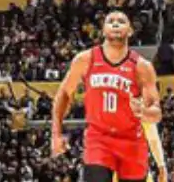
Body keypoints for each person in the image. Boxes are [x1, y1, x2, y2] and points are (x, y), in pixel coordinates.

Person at [50, 11, 161, 182]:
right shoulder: (85, 59)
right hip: (98, 139)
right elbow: (64, 94)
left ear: (130, 31)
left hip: (131, 141)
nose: (115, 24)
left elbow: (156, 112)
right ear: (103, 30)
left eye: (121, 21)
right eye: (111, 21)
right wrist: (56, 134)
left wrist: (144, 112)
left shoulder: (142, 66)